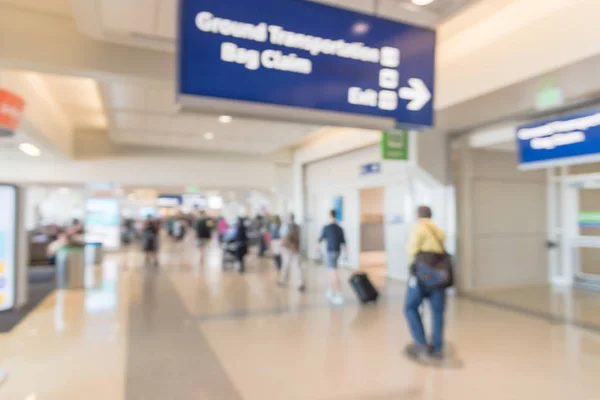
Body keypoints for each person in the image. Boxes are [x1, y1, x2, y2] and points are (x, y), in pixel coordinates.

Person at [404, 206, 449, 360]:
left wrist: (411, 269)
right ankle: (437, 347)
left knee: (410, 307)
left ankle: (421, 343)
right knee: (437, 312)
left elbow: (411, 250)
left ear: (418, 216)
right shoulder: (438, 230)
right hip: (439, 275)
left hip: (422, 275)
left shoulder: (418, 228)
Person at [317, 210, 346, 305]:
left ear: (329, 216)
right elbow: (344, 243)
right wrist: (346, 255)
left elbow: (319, 240)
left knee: (333, 272)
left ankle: (339, 294)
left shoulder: (327, 227)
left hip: (330, 252)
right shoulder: (339, 228)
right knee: (331, 271)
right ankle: (330, 290)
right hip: (338, 251)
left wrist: (317, 251)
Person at [278, 214, 305, 292]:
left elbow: (282, 239)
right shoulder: (297, 226)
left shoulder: (285, 226)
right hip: (295, 248)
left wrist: (280, 248)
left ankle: (283, 281)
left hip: (287, 249)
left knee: (285, 265)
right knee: (297, 266)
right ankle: (301, 284)